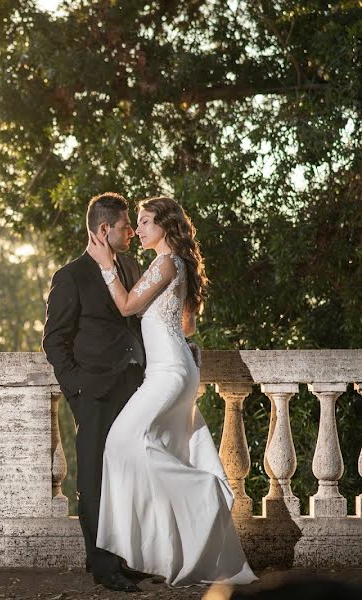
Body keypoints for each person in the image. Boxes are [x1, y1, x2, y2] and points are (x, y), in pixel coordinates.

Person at [87, 196, 257, 587]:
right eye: (137, 224)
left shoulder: (165, 263)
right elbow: (188, 326)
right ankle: (167, 551)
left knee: (122, 442)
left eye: (145, 222)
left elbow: (129, 307)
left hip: (167, 373)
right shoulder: (174, 264)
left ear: (165, 226)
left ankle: (205, 491)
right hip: (175, 368)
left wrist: (106, 267)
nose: (137, 229)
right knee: (155, 447)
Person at [43, 192, 146, 593]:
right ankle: (102, 566)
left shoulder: (132, 265)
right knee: (96, 476)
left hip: (133, 386)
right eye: (125, 226)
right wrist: (78, 387)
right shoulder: (71, 276)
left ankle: (123, 558)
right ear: (105, 230)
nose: (132, 232)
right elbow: (54, 341)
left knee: (129, 475)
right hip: (94, 391)